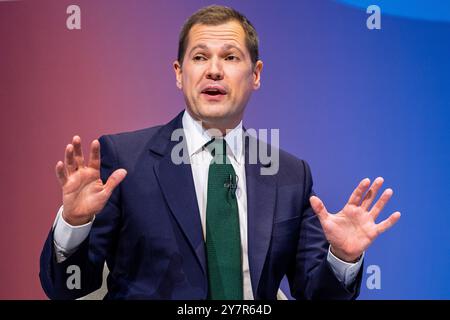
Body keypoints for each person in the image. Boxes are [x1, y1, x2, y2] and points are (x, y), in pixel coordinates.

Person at [40, 5, 400, 300]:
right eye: (200, 57)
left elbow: (317, 296)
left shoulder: (290, 175)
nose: (214, 70)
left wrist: (343, 257)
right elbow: (66, 288)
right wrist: (74, 224)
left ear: (255, 75)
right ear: (179, 73)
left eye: (230, 57)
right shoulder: (124, 159)